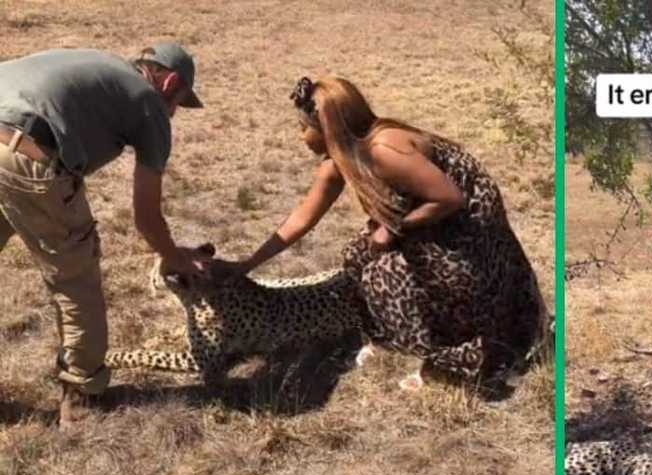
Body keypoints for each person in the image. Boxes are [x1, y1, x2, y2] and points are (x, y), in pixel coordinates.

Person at [213, 76, 547, 390]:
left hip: (467, 221)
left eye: (303, 128)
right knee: (358, 256)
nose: (300, 137)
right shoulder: (341, 159)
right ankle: (388, 338)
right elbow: (301, 219)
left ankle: (455, 360)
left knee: (390, 275)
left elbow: (450, 198)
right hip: (429, 212)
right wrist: (247, 264)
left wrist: (393, 228)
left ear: (325, 127)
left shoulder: (381, 151)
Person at [0, 42, 210, 428]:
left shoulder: (98, 64)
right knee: (75, 278)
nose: (174, 112)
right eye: (179, 100)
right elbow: (147, 217)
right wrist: (173, 257)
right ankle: (83, 397)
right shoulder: (148, 102)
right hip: (24, 153)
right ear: (171, 81)